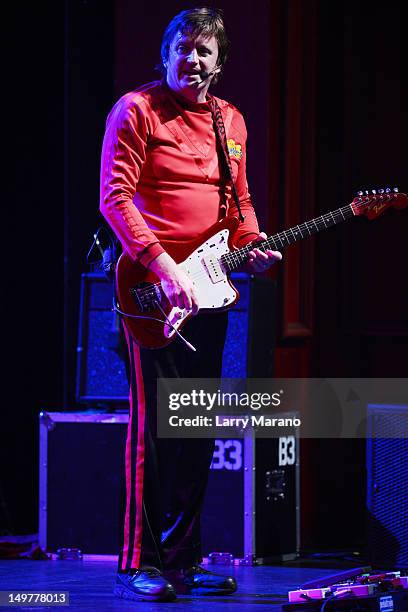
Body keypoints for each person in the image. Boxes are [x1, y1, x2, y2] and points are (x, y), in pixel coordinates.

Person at [100, 7, 281, 603]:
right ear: (167, 53)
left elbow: (242, 202)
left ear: (219, 63)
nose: (193, 60)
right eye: (183, 48)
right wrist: (161, 264)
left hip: (210, 289)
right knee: (152, 430)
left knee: (194, 425)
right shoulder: (136, 110)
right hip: (149, 293)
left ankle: (182, 560)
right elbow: (115, 198)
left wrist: (253, 246)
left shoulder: (230, 122)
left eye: (204, 52)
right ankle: (138, 562)